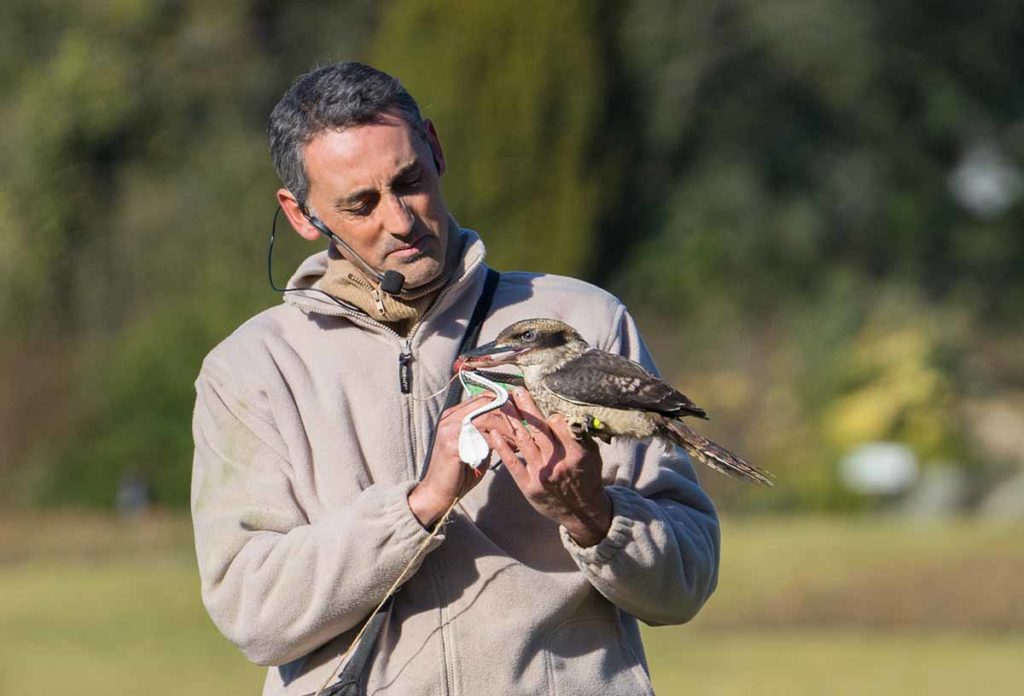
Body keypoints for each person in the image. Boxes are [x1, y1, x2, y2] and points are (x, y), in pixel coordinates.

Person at [191, 61, 720, 696]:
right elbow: (253, 615)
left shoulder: (582, 321)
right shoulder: (251, 370)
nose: (400, 221)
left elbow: (685, 582)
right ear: (302, 215)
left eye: (409, 182)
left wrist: (594, 516)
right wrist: (417, 508)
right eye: (360, 204)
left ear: (436, 150)